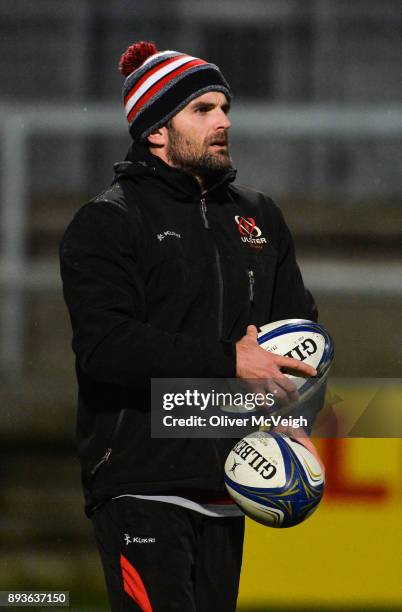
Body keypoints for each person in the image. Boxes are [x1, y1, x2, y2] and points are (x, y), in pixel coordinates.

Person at [60, 41, 319, 612]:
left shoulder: (260, 217)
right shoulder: (107, 221)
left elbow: (298, 333)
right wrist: (229, 360)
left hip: (232, 483)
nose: (223, 121)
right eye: (202, 110)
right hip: (142, 484)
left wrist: (293, 418)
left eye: (224, 108)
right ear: (155, 129)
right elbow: (105, 347)